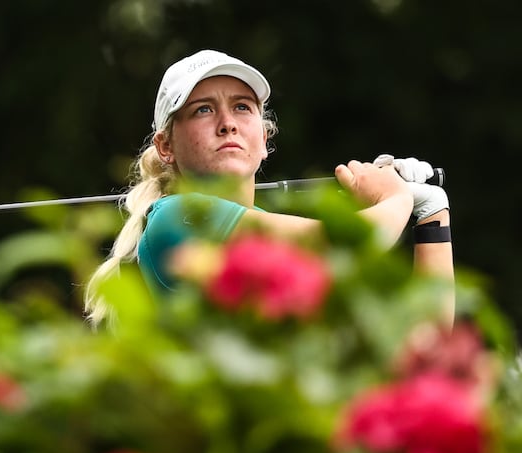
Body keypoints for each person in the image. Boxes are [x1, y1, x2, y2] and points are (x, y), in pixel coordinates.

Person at [84, 49, 453, 328]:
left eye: (242, 107)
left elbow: (426, 341)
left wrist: (432, 213)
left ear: (263, 138)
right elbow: (346, 245)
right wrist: (394, 196)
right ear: (166, 146)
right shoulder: (174, 217)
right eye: (202, 110)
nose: (227, 124)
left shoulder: (272, 228)